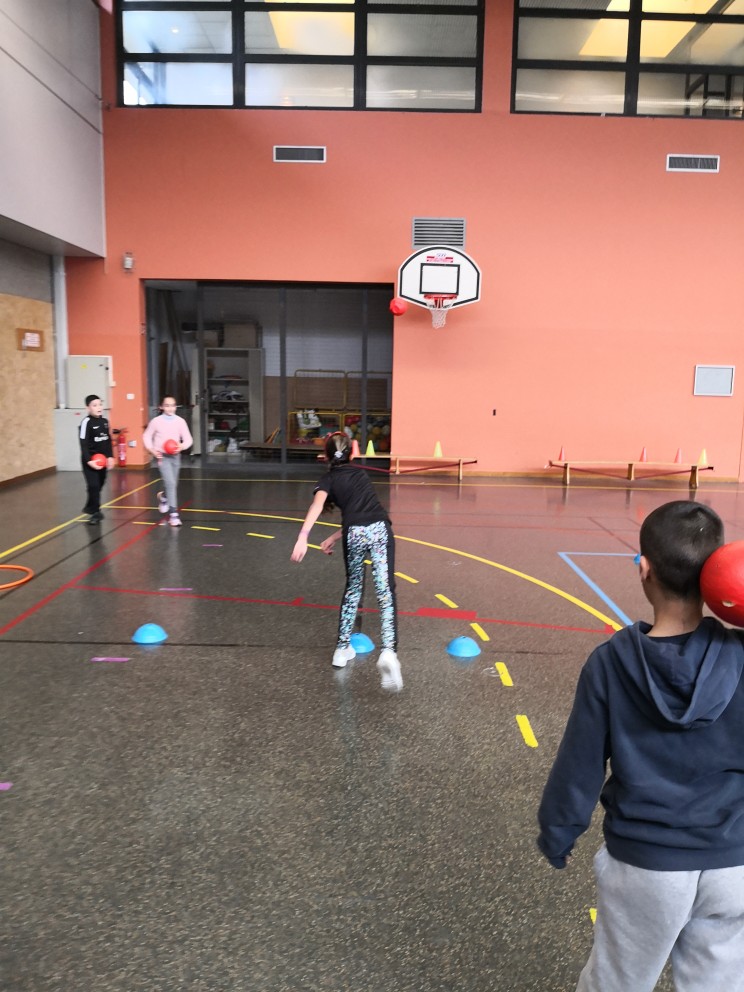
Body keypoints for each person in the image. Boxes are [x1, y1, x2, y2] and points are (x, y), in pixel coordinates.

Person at [537, 500, 744, 992]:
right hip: (734, 863)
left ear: (644, 569)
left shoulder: (610, 663)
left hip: (646, 864)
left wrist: (559, 831)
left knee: (617, 981)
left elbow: (581, 762)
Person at [290, 432, 402, 691]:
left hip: (354, 533)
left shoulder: (328, 479)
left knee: (353, 588)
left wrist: (304, 537)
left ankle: (341, 650)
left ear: (326, 456)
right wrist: (329, 537)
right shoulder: (360, 475)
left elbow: (318, 506)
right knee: (385, 590)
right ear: (351, 454)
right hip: (379, 530)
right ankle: (388, 651)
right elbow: (366, 512)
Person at [142, 396, 193, 527]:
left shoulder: (180, 421)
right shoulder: (156, 421)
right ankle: (174, 515)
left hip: (175, 456)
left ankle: (164, 497)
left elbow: (188, 439)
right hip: (162, 456)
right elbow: (146, 435)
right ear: (161, 407)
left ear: (176, 407)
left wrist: (182, 446)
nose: (170, 408)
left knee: (173, 484)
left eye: (173, 405)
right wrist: (152, 450)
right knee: (170, 483)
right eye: (167, 405)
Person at [79, 394, 114, 525]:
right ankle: (96, 512)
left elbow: (108, 441)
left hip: (102, 461)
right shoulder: (86, 423)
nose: (99, 407)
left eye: (100, 404)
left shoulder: (105, 422)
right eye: (95, 405)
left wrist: (110, 457)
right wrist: (89, 461)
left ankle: (90, 506)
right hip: (90, 461)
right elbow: (83, 443)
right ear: (88, 408)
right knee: (93, 485)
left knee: (98, 485)